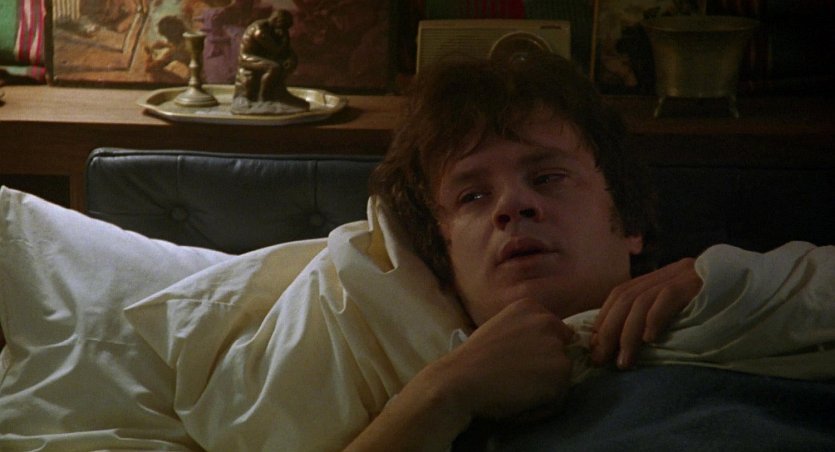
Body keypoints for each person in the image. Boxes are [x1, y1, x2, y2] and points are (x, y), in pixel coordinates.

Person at [343, 52, 705, 450]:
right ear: (444, 256)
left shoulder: (725, 306)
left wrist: (740, 286)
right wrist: (441, 393)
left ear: (628, 219)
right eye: (473, 196)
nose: (512, 205)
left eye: (548, 177)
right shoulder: (432, 399)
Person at [232, 9, 309, 113]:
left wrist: (291, 58)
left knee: (283, 65)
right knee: (273, 67)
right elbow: (276, 50)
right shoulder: (260, 30)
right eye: (284, 27)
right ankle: (264, 98)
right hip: (247, 58)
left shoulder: (272, 29)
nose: (284, 30)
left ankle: (279, 94)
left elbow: (283, 50)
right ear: (278, 22)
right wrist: (285, 37)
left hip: (260, 57)